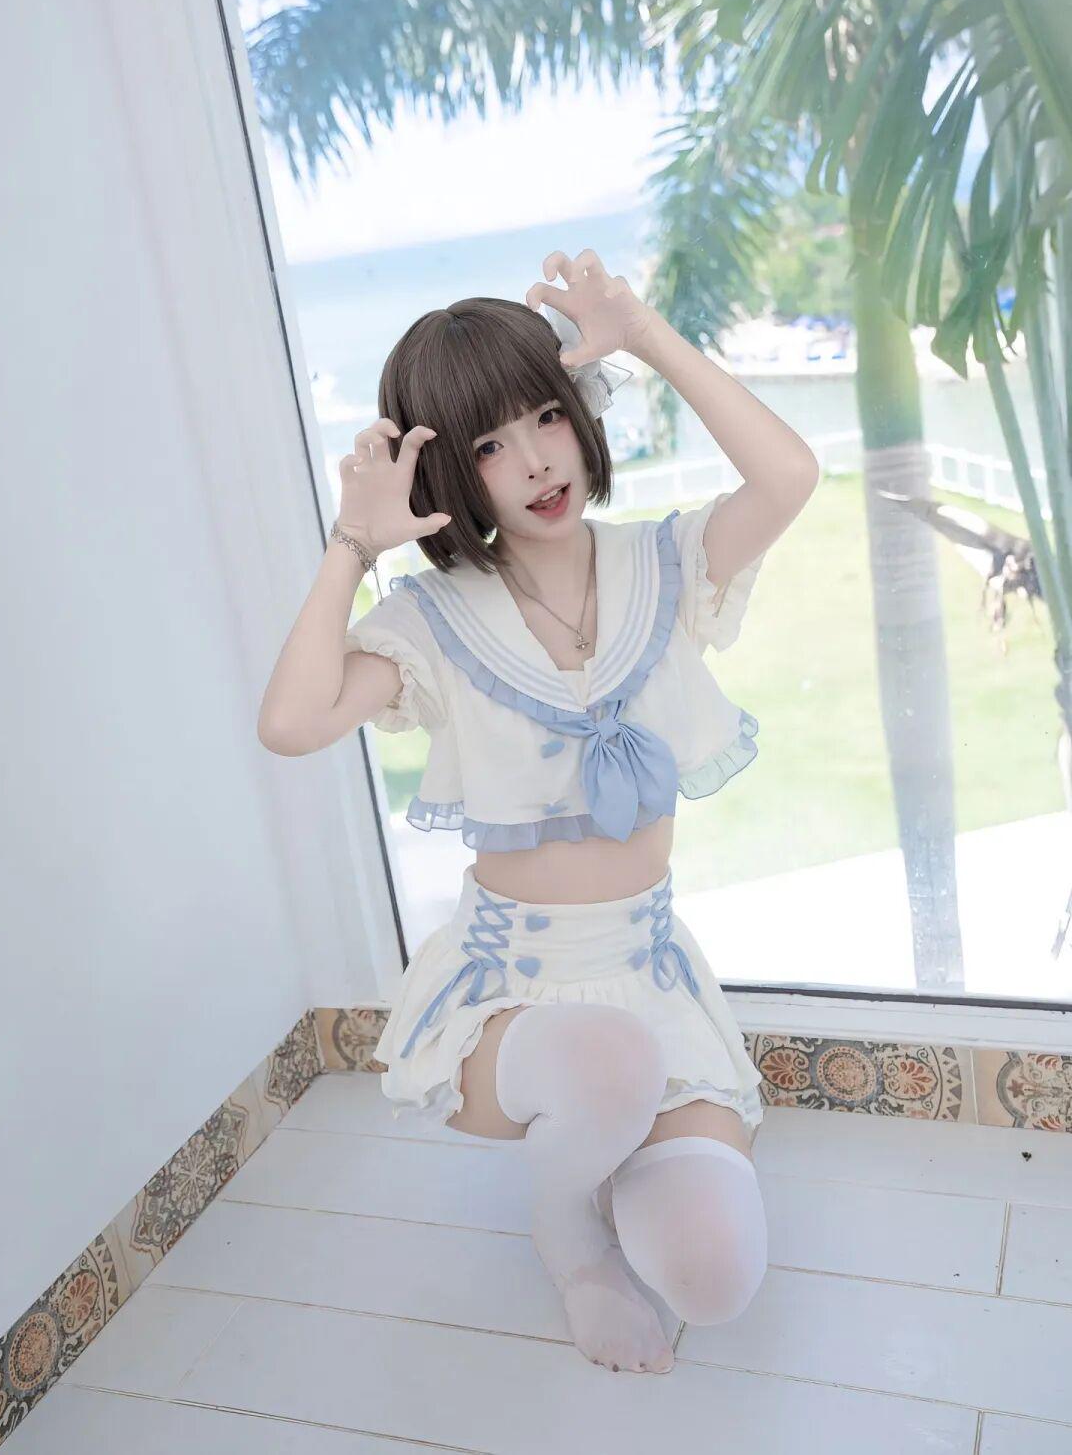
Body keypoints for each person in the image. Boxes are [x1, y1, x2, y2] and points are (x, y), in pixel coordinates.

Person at [258, 248, 820, 1375]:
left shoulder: (665, 567)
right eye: (487, 446)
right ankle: (572, 1239)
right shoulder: (435, 621)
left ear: (581, 411)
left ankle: (613, 1150)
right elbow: (294, 722)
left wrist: (645, 334)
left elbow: (789, 477)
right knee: (604, 1064)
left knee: (713, 1279)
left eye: (547, 417)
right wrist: (353, 546)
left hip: (646, 975)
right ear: (448, 476)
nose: (534, 462)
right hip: (509, 1001)